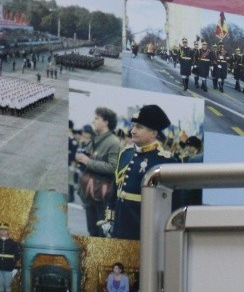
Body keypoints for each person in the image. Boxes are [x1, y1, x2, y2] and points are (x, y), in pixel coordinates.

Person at [109, 103, 173, 240]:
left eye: (139, 127)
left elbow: (172, 203)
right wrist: (110, 217)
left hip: (144, 232)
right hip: (119, 227)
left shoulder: (165, 161)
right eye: (133, 126)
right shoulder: (126, 153)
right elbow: (116, 189)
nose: (132, 131)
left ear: (153, 133)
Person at [73, 106, 122, 238]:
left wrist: (88, 162)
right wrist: (81, 158)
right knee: (92, 230)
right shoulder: (96, 139)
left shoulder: (113, 142)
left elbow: (113, 167)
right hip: (90, 192)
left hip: (102, 194)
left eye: (97, 118)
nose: (93, 121)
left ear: (106, 122)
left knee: (101, 232)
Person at [0, 223, 19, 292]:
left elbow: (17, 256)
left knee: (7, 286)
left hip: (9, 268)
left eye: (5, 230)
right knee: (0, 286)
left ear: (8, 231)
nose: (2, 231)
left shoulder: (13, 243)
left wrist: (15, 268)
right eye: (1, 229)